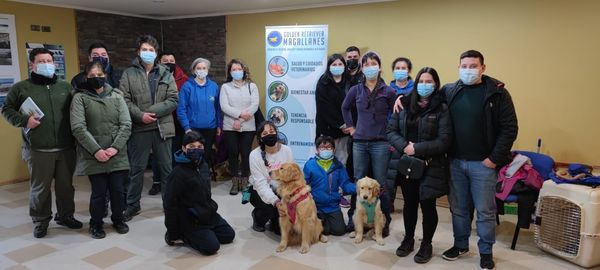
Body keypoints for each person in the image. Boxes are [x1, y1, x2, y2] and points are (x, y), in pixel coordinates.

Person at [439, 50, 518, 270]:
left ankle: (485, 252)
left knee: (485, 211)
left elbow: (509, 129)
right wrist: (400, 98)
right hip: (455, 162)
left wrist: (494, 159)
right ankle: (460, 245)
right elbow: (423, 101)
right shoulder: (449, 91)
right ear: (458, 67)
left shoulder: (498, 93)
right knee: (459, 209)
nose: (468, 70)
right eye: (464, 66)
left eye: (473, 66)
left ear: (483, 68)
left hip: (483, 165)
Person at [2, 48, 82, 238]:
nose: (46, 64)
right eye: (41, 61)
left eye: (49, 60)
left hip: (66, 148)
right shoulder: (21, 88)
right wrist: (24, 121)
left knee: (65, 186)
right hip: (38, 149)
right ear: (32, 65)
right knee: (40, 189)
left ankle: (65, 216)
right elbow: (6, 110)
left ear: (54, 64)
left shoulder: (65, 87)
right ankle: (40, 220)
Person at [386, 67, 452, 263]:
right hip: (407, 164)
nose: (424, 85)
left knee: (428, 206)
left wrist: (418, 149)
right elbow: (391, 131)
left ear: (436, 84)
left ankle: (427, 244)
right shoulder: (404, 104)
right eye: (421, 81)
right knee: (409, 204)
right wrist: (405, 147)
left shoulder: (442, 108)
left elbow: (445, 140)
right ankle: (408, 239)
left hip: (431, 165)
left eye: (429, 81)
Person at [120, 34, 178, 221]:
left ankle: (169, 204)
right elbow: (124, 100)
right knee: (136, 169)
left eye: (151, 50)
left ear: (156, 53)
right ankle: (132, 205)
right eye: (144, 50)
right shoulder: (128, 74)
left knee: (167, 169)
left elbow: (173, 99)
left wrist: (150, 112)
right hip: (139, 128)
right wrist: (140, 115)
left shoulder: (166, 73)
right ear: (138, 52)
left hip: (162, 127)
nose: (147, 53)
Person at [70, 61, 132, 239]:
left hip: (116, 153)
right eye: (92, 76)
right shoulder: (79, 98)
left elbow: (126, 124)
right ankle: (96, 223)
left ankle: (118, 219)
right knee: (99, 192)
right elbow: (78, 128)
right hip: (93, 154)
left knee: (118, 191)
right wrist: (96, 150)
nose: (96, 78)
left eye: (100, 75)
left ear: (105, 76)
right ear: (85, 77)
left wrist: (114, 147)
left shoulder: (117, 95)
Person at [341, 51, 396, 235]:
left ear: (379, 67)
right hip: (359, 142)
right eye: (366, 64)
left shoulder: (388, 91)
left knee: (381, 184)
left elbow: (397, 112)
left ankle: (383, 221)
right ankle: (354, 219)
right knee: (358, 182)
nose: (370, 67)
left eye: (373, 63)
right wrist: (351, 126)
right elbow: (345, 107)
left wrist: (390, 130)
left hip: (381, 143)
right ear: (362, 68)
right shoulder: (355, 90)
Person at [163, 131, 235, 255]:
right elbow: (169, 204)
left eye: (199, 147)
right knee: (212, 247)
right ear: (183, 148)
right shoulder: (177, 174)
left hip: (208, 214)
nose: (196, 150)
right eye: (191, 147)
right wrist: (173, 232)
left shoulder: (203, 165)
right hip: (191, 220)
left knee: (229, 236)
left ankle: (207, 232)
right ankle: (184, 234)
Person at [148, 52, 190, 195]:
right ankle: (157, 182)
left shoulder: (184, 79)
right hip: (161, 120)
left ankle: (174, 181)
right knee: (158, 153)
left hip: (178, 122)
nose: (168, 63)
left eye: (171, 60)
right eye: (165, 61)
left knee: (174, 153)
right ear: (159, 62)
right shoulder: (153, 77)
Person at [219, 59, 259, 195]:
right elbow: (224, 106)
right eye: (234, 69)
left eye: (239, 69)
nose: (237, 72)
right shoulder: (225, 87)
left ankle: (245, 180)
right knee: (233, 153)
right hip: (230, 126)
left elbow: (254, 105)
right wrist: (239, 115)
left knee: (246, 152)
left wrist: (240, 120)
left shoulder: (251, 86)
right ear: (230, 72)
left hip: (248, 126)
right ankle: (235, 181)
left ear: (244, 70)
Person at [303, 135, 355, 236]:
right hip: (315, 206)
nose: (325, 150)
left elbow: (346, 184)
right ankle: (322, 223)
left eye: (329, 147)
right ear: (317, 150)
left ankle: (325, 223)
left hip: (332, 206)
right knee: (324, 231)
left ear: (334, 149)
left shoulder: (338, 166)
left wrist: (359, 187)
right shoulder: (310, 165)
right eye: (322, 147)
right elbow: (304, 184)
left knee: (339, 231)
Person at [248, 121, 293, 234]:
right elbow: (261, 185)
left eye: (272, 131)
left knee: (282, 231)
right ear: (260, 138)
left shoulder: (286, 150)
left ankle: (274, 219)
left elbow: (291, 176)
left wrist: (288, 197)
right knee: (270, 208)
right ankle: (258, 217)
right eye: (265, 133)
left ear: (276, 132)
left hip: (281, 189)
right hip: (259, 190)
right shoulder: (254, 155)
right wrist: (276, 202)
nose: (269, 134)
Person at [177, 57, 221, 172]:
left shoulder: (214, 86)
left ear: (208, 69)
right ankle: (191, 179)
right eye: (198, 68)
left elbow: (217, 108)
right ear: (194, 70)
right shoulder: (187, 87)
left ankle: (203, 179)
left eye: (204, 68)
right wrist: (187, 128)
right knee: (192, 156)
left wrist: (218, 125)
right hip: (192, 129)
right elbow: (181, 109)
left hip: (210, 129)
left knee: (205, 156)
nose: (201, 70)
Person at [315, 53, 352, 164]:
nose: (337, 66)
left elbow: (353, 105)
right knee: (325, 162)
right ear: (329, 66)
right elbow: (324, 107)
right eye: (334, 64)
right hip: (327, 129)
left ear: (344, 66)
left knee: (342, 162)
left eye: (340, 64)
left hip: (345, 132)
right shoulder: (323, 82)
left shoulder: (350, 81)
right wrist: (340, 124)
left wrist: (348, 124)